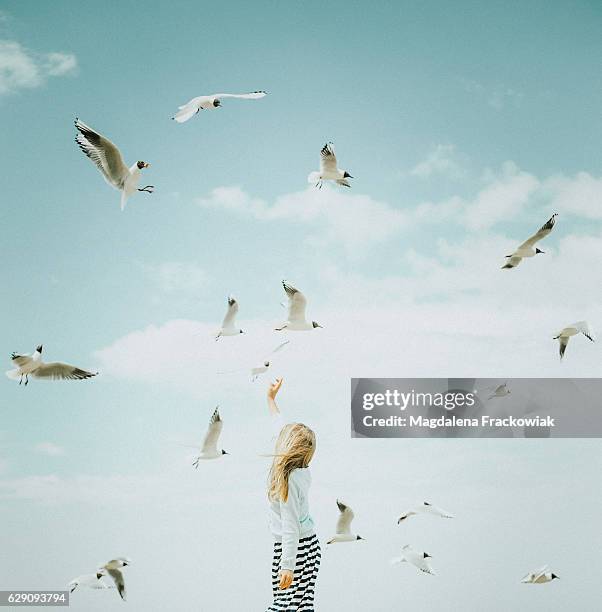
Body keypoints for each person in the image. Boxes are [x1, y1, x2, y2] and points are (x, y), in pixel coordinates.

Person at [266, 378, 321, 611]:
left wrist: (287, 565)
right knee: (300, 605)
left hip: (296, 546)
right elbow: (278, 426)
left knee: (284, 604)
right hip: (306, 545)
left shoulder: (289, 480)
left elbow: (290, 526)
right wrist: (271, 399)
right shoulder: (293, 470)